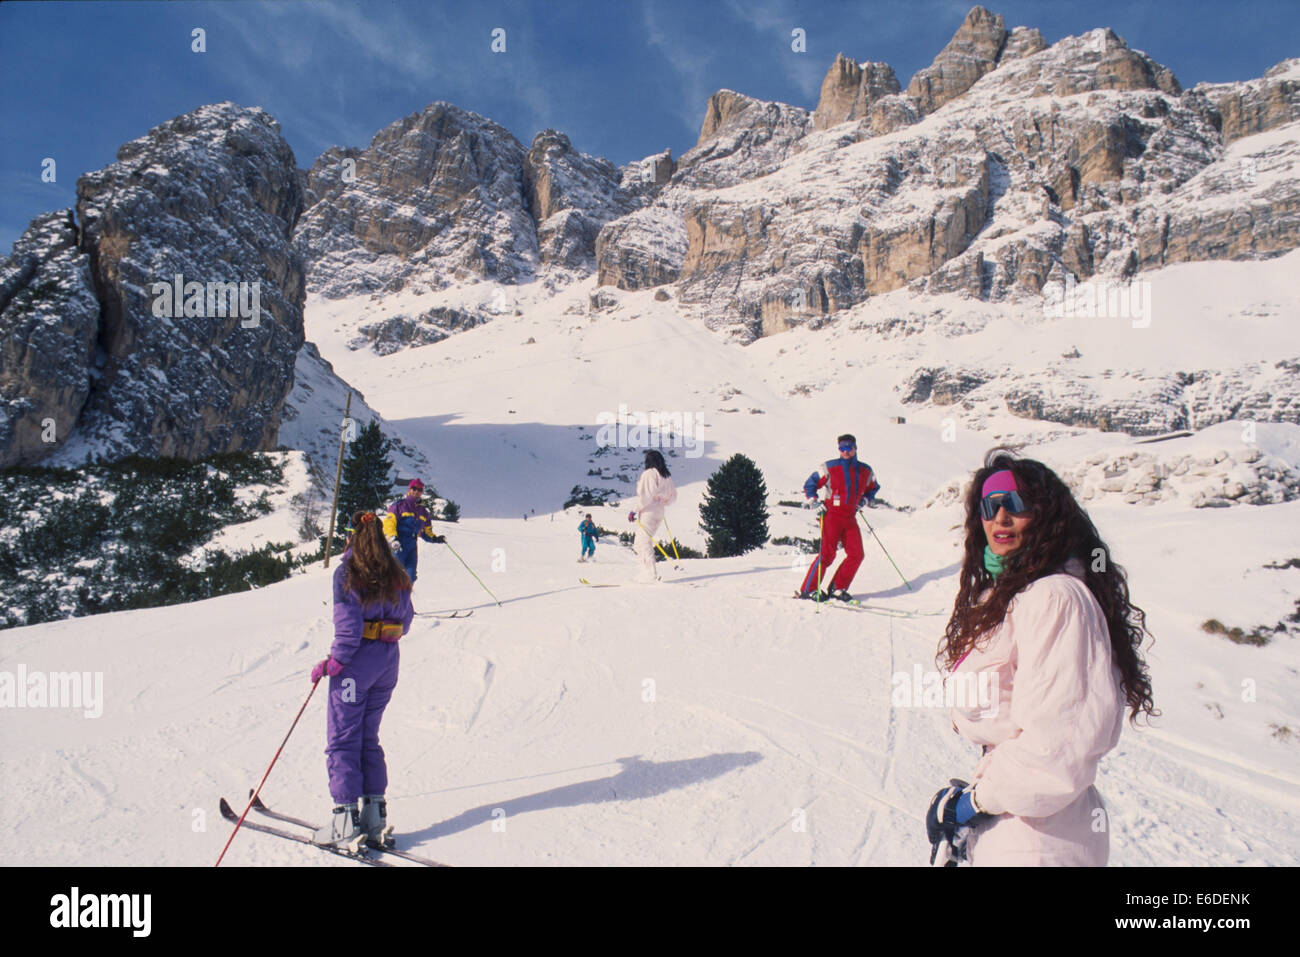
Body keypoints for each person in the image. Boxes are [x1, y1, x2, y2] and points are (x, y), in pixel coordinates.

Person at [925, 451, 1156, 866]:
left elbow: (1058, 747)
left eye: (1015, 503)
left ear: (1046, 514)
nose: (1000, 517)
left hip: (1041, 841)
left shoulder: (1056, 598)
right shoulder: (1016, 598)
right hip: (1019, 828)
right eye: (988, 506)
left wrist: (973, 803)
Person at [311, 510, 415, 849]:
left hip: (357, 667)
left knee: (343, 738)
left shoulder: (349, 572)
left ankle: (344, 822)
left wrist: (334, 662)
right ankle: (374, 818)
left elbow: (349, 626)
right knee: (368, 737)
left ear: (352, 537)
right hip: (388, 663)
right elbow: (406, 620)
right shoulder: (396, 573)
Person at [799, 434, 880, 600]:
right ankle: (808, 589)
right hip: (831, 515)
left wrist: (864, 499)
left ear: (855, 448)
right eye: (841, 448)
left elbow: (874, 487)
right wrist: (814, 501)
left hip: (850, 516)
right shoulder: (829, 467)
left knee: (857, 554)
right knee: (827, 554)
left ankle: (838, 587)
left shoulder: (865, 470)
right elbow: (810, 484)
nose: (845, 451)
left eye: (848, 448)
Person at [382, 478, 445, 583]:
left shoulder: (424, 512)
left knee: (410, 577)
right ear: (409, 489)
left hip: (411, 548)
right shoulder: (399, 506)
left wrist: (435, 538)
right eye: (414, 488)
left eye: (419, 489)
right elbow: (389, 523)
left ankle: (404, 599)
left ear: (422, 492)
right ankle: (388, 599)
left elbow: (426, 531)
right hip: (397, 545)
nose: (416, 491)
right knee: (393, 576)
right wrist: (392, 538)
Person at [628, 450, 677, 582]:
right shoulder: (665, 475)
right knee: (641, 542)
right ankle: (646, 571)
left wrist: (634, 510)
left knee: (643, 541)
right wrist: (662, 501)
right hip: (659, 510)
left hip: (649, 511)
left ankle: (650, 573)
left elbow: (646, 496)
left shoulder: (649, 474)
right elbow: (673, 496)